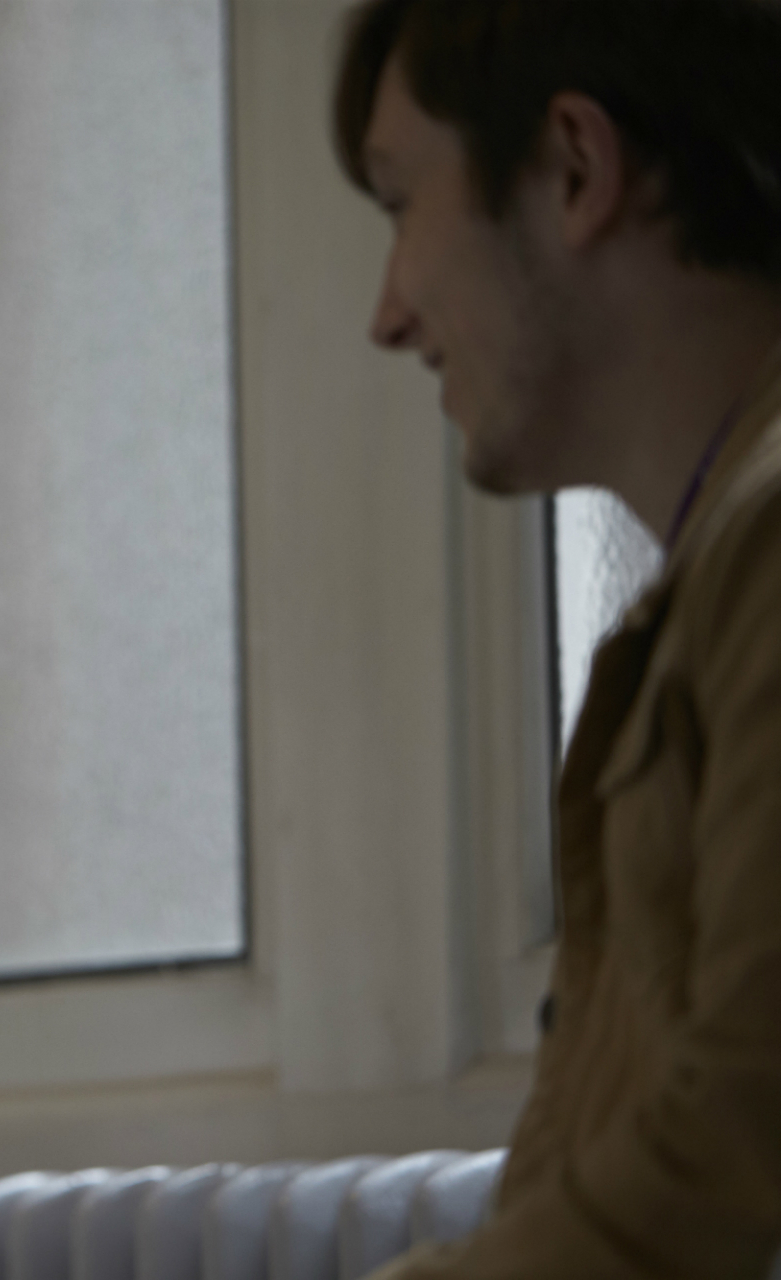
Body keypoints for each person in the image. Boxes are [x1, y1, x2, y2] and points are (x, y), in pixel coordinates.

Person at [333, 0, 781, 1275]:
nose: (386, 314)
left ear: (577, 171)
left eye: (399, 203)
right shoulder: (704, 594)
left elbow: (732, 1151)